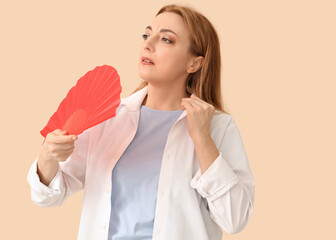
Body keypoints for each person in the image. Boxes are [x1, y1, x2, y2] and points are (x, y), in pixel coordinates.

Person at [27, 4, 255, 240]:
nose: (148, 44)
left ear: (194, 64)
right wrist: (48, 155)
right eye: (147, 35)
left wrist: (202, 139)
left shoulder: (218, 127)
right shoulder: (109, 119)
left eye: (166, 39)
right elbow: (47, 196)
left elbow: (235, 219)